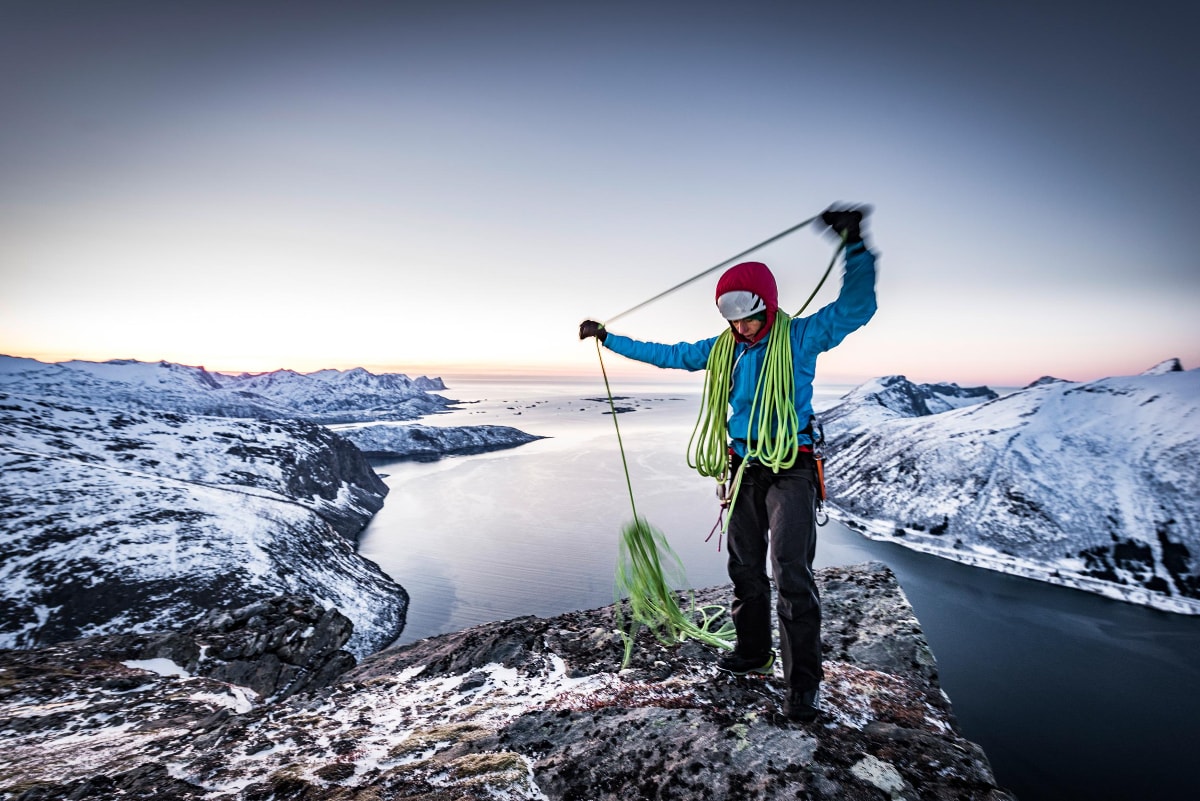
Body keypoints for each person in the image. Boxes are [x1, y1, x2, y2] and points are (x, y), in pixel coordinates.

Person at [579, 206, 878, 722]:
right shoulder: (723, 349)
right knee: (743, 568)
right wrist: (609, 338)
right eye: (733, 318)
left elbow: (856, 306)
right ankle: (754, 653)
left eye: (748, 316)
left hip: (792, 466)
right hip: (743, 467)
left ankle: (803, 684)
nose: (741, 326)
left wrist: (854, 244)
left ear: (769, 306)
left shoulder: (801, 337)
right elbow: (667, 353)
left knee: (790, 573)